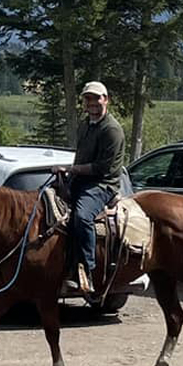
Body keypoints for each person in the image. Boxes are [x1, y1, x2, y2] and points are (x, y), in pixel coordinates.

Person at [51, 81, 123, 298]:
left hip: (102, 184)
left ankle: (87, 269)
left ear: (106, 100)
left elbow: (102, 168)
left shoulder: (111, 130)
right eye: (88, 99)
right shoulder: (86, 125)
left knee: (82, 217)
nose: (92, 103)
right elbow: (81, 157)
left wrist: (70, 169)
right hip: (81, 180)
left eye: (96, 98)